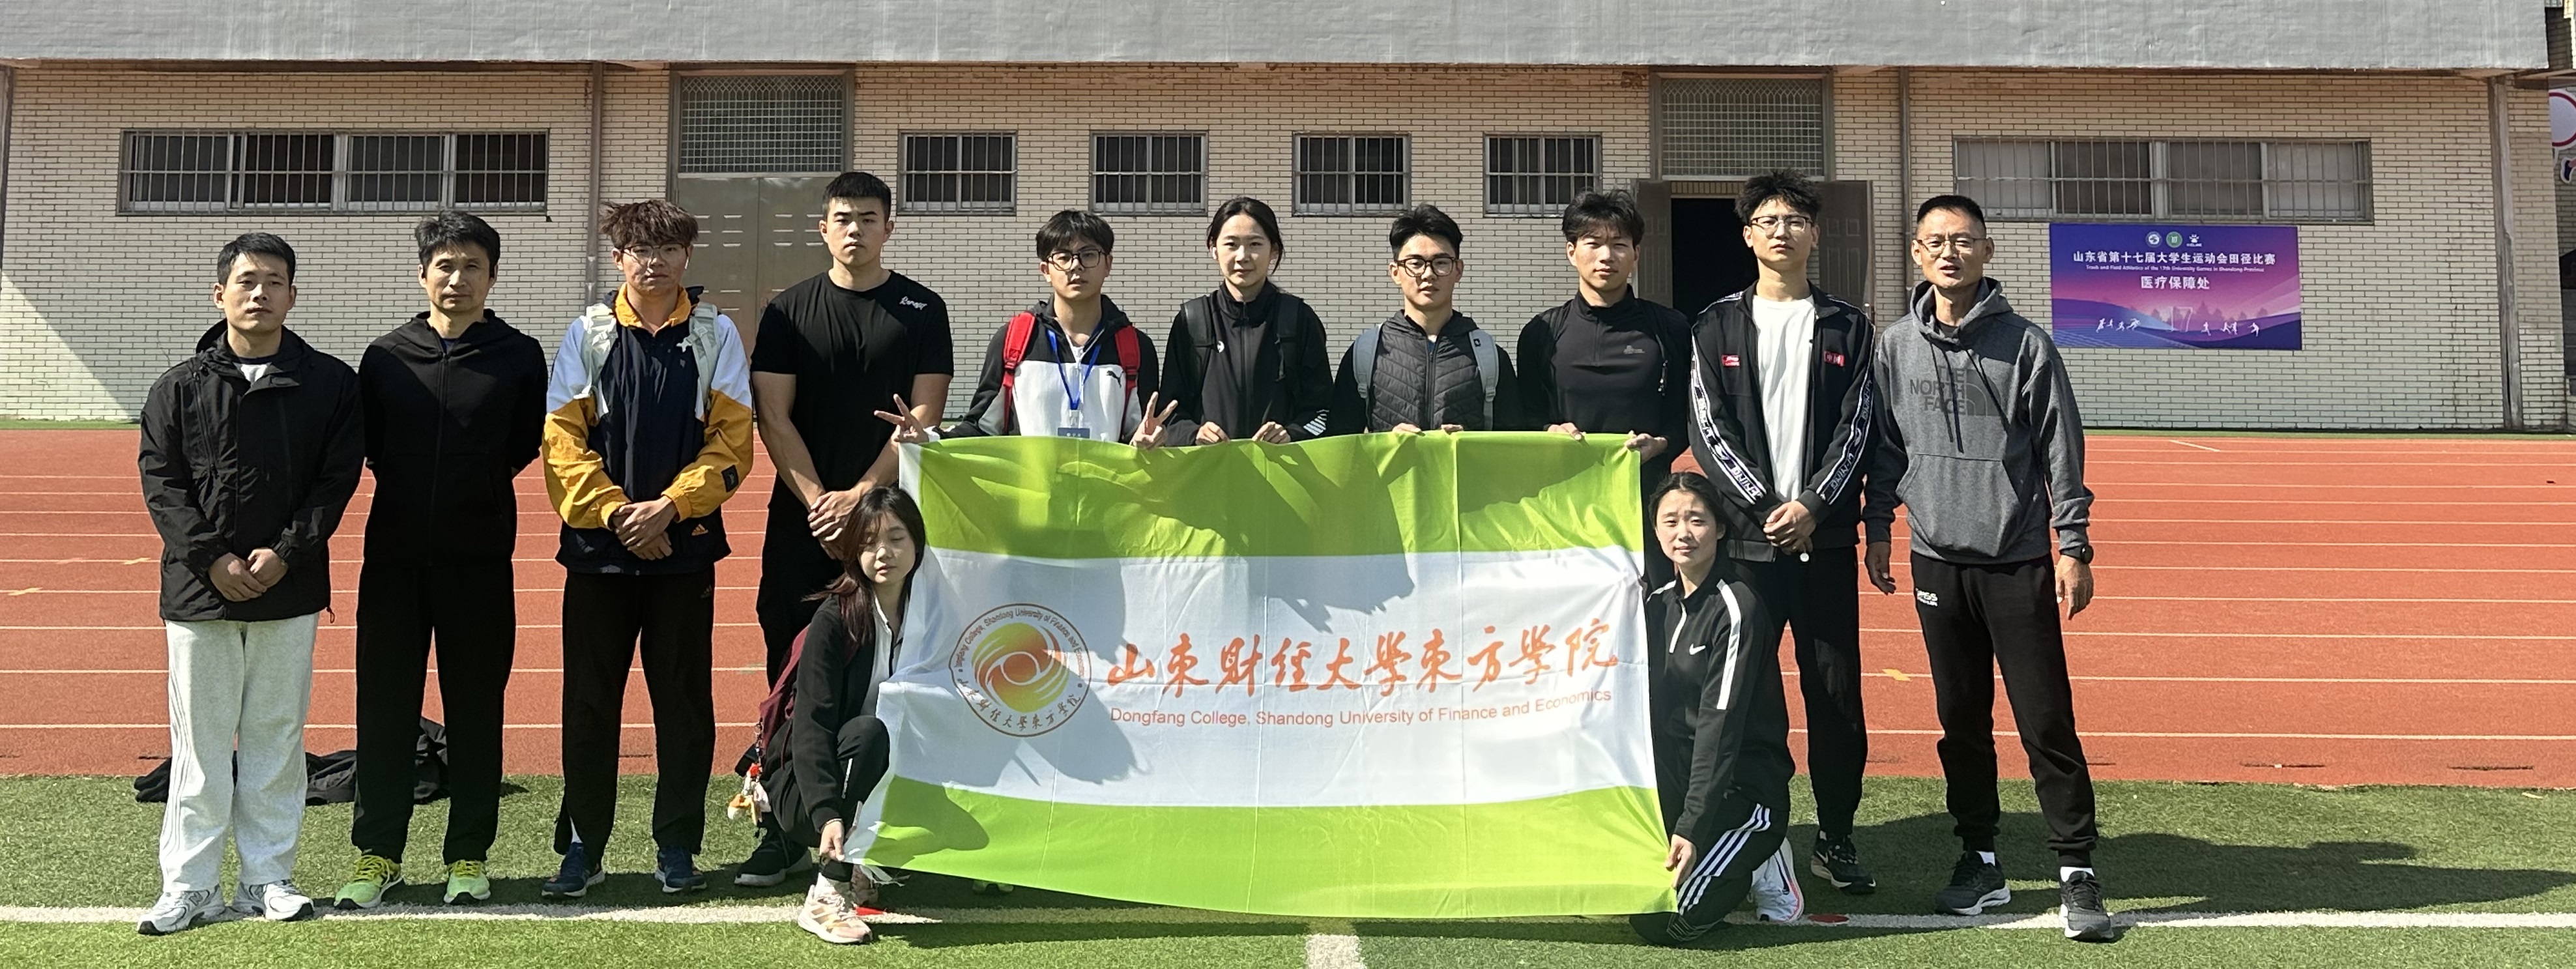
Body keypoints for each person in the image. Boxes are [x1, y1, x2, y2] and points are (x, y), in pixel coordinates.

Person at [1864, 194, 2115, 943]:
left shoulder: (2025, 345)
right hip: (1935, 557)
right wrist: (1877, 526)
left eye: (1963, 240)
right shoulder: (1894, 345)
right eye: (1935, 241)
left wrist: (2072, 544)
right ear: (1916, 253)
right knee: (1960, 721)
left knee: (2044, 719)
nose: (1949, 252)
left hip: (2015, 558)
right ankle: (1979, 859)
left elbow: (2060, 446)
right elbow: (1885, 445)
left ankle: (2075, 868)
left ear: (1986, 251)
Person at [136, 231, 363, 935]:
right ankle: (190, 885)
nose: (259, 292)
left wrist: (286, 554)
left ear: (293, 295)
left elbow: (335, 481)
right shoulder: (178, 386)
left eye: (273, 281)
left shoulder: (330, 383)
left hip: (288, 591)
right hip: (199, 593)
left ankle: (268, 877)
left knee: (276, 737)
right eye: (246, 280)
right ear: (220, 294)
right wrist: (213, 559)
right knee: (201, 748)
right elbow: (162, 482)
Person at [740, 171, 953, 887]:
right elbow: (773, 414)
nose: (854, 228)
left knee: (894, 673)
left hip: (888, 525)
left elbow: (921, 417)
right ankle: (782, 826)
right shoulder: (788, 311)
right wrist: (817, 501)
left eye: (867, 217)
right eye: (842, 217)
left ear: (889, 226)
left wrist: (860, 497)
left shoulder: (921, 309)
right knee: (789, 674)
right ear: (823, 229)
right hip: (802, 522)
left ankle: (887, 828)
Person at [540, 199, 755, 899]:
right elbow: (562, 441)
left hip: (683, 552)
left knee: (684, 703)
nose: (653, 260)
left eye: (667, 248)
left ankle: (678, 844)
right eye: (640, 248)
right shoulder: (589, 332)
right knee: (589, 703)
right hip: (598, 554)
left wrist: (669, 508)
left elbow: (732, 443)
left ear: (686, 257)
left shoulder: (716, 333)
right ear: (618, 258)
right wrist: (616, 512)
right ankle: (583, 844)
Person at [335, 212, 547, 910]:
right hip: (393, 561)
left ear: (493, 275)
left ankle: (468, 853)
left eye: (472, 266)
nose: (458, 279)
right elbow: (371, 447)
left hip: (479, 561)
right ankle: (378, 852)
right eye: (445, 266)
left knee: (476, 708)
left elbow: (523, 443)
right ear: (423, 273)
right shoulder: (386, 357)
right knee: (384, 707)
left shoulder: (519, 355)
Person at [1679, 169, 1881, 894]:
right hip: (1746, 548)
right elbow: (1708, 428)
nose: (1781, 231)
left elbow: (1859, 426)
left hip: (1822, 546)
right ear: (1746, 235)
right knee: (1745, 698)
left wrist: (1814, 506)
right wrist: (1768, 506)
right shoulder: (1714, 325)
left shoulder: (1849, 326)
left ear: (1814, 234)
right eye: (1767, 220)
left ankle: (1836, 834)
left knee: (1835, 697)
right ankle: (1756, 831)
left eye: (1794, 220)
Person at [1630, 472, 1801, 947]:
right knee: (1620, 893)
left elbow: (1718, 729)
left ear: (1720, 529)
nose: (1683, 533)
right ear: (1655, 530)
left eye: (1697, 520)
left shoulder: (1737, 608)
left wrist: (1691, 826)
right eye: (1670, 521)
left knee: (1665, 923)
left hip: (1740, 791)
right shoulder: (1655, 604)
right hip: (1677, 787)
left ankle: (1764, 858)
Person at [755, 486, 927, 946]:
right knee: (869, 733)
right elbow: (811, 727)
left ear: (918, 542)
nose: (883, 553)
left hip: (881, 771)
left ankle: (865, 859)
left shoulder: (931, 614)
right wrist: (828, 813)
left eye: (896, 538)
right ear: (853, 553)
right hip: (809, 788)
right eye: (868, 543)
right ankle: (828, 891)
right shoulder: (835, 619)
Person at [1519, 190, 1692, 585]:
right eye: (1593, 243)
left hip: (1645, 502)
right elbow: (1525, 414)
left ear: (1636, 254)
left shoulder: (1670, 328)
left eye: (1619, 244)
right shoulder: (1542, 332)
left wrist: (1661, 444)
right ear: (1571, 252)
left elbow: (1687, 415)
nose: (1606, 256)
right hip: (1565, 505)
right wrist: (1548, 431)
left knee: (1650, 607)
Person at [937, 209, 1175, 447]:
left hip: (1106, 474)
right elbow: (981, 428)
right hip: (1031, 474)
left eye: (1088, 255)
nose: (1076, 266)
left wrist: (1152, 441)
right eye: (1063, 257)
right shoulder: (1014, 340)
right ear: (1046, 271)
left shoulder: (1135, 346)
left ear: (1108, 264)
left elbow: (1141, 433)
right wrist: (932, 438)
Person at [1327, 203, 1523, 435]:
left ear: (1458, 270)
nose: (1428, 274)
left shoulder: (1489, 356)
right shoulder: (1367, 353)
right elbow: (1340, 441)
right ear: (1395, 272)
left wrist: (1469, 442)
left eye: (1441, 263)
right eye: (1416, 264)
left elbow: (1513, 441)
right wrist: (1385, 442)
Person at [1159, 196, 1333, 446]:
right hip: (1211, 468)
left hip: (1282, 468)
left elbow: (1324, 412)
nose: (1243, 256)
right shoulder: (1192, 322)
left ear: (1273, 250)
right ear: (1214, 249)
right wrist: (1194, 434)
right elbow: (1169, 415)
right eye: (1231, 244)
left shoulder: (1298, 319)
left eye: (1255, 244)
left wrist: (1293, 433)